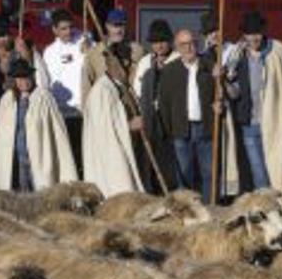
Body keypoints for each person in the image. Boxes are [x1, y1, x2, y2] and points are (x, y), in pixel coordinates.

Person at [224, 11, 282, 192]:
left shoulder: (278, 51)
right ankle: (267, 207)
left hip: (276, 122)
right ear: (244, 35)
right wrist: (222, 81)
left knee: (278, 167)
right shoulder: (237, 56)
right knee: (259, 173)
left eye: (257, 33)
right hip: (250, 123)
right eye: (250, 34)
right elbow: (234, 93)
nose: (254, 38)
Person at [0, 55, 78, 192]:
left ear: (32, 77)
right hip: (15, 158)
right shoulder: (7, 100)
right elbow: (1, 134)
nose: (23, 82)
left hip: (38, 156)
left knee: (39, 192)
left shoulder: (44, 97)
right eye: (19, 78)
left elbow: (57, 131)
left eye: (26, 77)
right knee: (20, 194)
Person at [155, 29, 221, 202]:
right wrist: (168, 131)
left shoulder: (210, 66)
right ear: (177, 47)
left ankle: (209, 208)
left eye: (192, 42)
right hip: (181, 129)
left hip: (205, 126)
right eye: (184, 44)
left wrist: (220, 104)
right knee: (184, 174)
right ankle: (188, 210)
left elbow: (221, 94)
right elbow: (164, 103)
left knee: (209, 173)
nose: (189, 47)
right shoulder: (170, 71)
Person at [82, 41, 150, 196]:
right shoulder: (102, 92)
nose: (126, 66)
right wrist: (129, 125)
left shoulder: (120, 86)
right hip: (111, 161)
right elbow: (104, 132)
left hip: (129, 148)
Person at [136, 19, 179, 192]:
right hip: (150, 122)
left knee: (171, 165)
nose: (159, 46)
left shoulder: (177, 60)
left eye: (162, 41)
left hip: (172, 123)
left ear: (169, 41)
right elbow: (138, 91)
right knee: (150, 164)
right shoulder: (145, 62)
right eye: (155, 42)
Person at [42, 9, 87, 166]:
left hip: (82, 110)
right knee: (67, 155)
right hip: (62, 112)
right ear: (54, 30)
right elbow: (46, 82)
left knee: (82, 153)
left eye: (69, 27)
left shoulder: (83, 42)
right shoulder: (49, 52)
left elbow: (96, 54)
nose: (67, 32)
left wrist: (89, 47)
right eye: (63, 29)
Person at [81, 8, 144, 107]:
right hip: (103, 106)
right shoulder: (94, 53)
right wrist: (86, 111)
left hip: (129, 106)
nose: (119, 30)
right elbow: (86, 85)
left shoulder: (137, 51)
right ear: (107, 26)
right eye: (115, 26)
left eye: (122, 25)